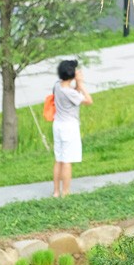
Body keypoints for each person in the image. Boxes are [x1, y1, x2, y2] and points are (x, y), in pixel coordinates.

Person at [52, 59, 92, 197]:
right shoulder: (70, 92)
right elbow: (88, 100)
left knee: (59, 159)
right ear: (71, 75)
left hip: (57, 125)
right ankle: (66, 192)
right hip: (69, 127)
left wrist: (75, 84)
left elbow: (73, 93)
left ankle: (56, 191)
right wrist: (80, 83)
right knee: (67, 161)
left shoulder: (57, 86)